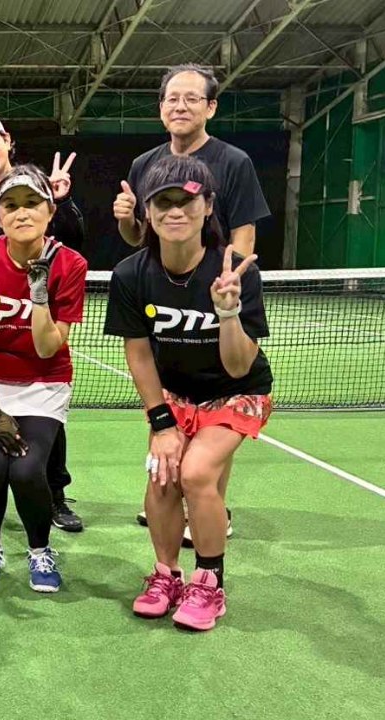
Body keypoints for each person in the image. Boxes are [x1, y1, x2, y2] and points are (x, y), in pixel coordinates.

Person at [104, 154, 273, 631]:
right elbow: (139, 354)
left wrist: (228, 312)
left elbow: (239, 364)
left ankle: (209, 583)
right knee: (162, 475)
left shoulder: (235, 272)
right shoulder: (131, 275)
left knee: (197, 473)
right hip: (175, 392)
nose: (175, 211)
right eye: (164, 202)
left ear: (208, 207)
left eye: (187, 201)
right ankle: (166, 576)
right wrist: (161, 424)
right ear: (147, 212)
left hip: (237, 391)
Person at [112, 63, 271, 540]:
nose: (180, 106)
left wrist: (227, 285)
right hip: (168, 292)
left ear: (211, 107)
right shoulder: (145, 164)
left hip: (217, 289)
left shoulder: (234, 161)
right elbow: (140, 237)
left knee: (207, 449)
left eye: (192, 98)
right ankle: (171, 503)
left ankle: (209, 507)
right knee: (168, 413)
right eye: (171, 99)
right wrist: (125, 219)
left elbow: (243, 230)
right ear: (160, 108)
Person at [0, 112, 86, 533]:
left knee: (29, 470)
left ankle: (51, 508)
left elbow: (48, 347)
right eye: (11, 205)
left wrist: (38, 291)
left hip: (43, 374)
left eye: (32, 204)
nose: (22, 213)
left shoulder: (67, 260)